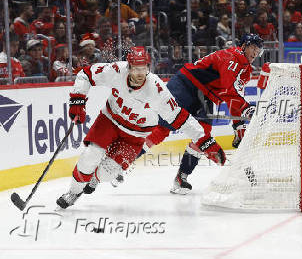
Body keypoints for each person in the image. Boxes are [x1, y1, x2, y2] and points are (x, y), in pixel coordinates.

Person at [56, 46, 226, 209]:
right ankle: (73, 192)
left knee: (108, 172)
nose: (139, 73)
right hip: (109, 120)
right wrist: (77, 99)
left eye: (143, 68)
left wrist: (206, 142)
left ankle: (95, 178)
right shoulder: (116, 70)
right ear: (128, 67)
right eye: (135, 68)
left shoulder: (157, 89)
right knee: (90, 155)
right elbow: (86, 74)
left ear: (148, 67)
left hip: (136, 135)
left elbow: (180, 118)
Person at [145, 33, 263, 195]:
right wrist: (245, 108)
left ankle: (181, 178)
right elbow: (229, 91)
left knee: (203, 136)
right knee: (162, 130)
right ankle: (125, 159)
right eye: (253, 48)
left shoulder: (246, 71)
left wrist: (239, 127)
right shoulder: (231, 57)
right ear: (243, 46)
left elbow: (234, 98)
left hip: (205, 97)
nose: (255, 53)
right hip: (186, 84)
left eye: (258, 50)